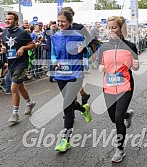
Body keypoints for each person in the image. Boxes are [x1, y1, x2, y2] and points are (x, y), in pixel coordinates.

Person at [98, 16, 139, 163]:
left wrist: (135, 65)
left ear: (121, 29)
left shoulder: (131, 46)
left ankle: (120, 149)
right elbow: (100, 64)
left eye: (114, 27)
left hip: (125, 85)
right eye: (109, 27)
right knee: (113, 117)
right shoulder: (104, 47)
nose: (111, 30)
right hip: (108, 85)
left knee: (117, 118)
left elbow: (135, 65)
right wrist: (100, 67)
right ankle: (127, 116)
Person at [51, 10, 91, 152]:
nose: (60, 23)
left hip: (75, 74)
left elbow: (87, 53)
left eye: (63, 21)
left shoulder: (78, 36)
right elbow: (54, 54)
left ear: (70, 22)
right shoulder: (54, 36)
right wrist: (55, 62)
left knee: (67, 105)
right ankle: (84, 109)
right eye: (58, 21)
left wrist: (83, 50)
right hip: (61, 74)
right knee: (71, 104)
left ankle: (65, 140)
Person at [1, 11, 36, 123]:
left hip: (22, 64)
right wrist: (3, 49)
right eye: (6, 19)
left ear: (16, 21)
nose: (7, 21)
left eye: (10, 19)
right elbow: (4, 45)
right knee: (20, 86)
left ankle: (15, 114)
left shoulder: (22, 33)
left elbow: (33, 44)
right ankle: (30, 103)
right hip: (12, 63)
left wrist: (23, 48)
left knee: (14, 88)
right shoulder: (4, 33)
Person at [61, 7, 90, 105]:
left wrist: (82, 46)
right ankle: (82, 96)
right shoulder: (61, 28)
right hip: (64, 60)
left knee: (74, 81)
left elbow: (88, 37)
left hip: (77, 59)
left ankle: (71, 108)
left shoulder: (79, 27)